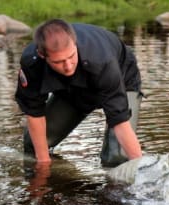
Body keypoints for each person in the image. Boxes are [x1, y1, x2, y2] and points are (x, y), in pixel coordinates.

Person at [15, 19, 143, 167]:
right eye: (59, 62)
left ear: (75, 44)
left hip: (122, 81)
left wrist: (140, 170)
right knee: (33, 144)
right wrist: (43, 167)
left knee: (117, 157)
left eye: (71, 57)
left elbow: (119, 120)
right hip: (72, 91)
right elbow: (34, 112)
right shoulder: (32, 63)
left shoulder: (103, 61)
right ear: (42, 55)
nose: (68, 66)